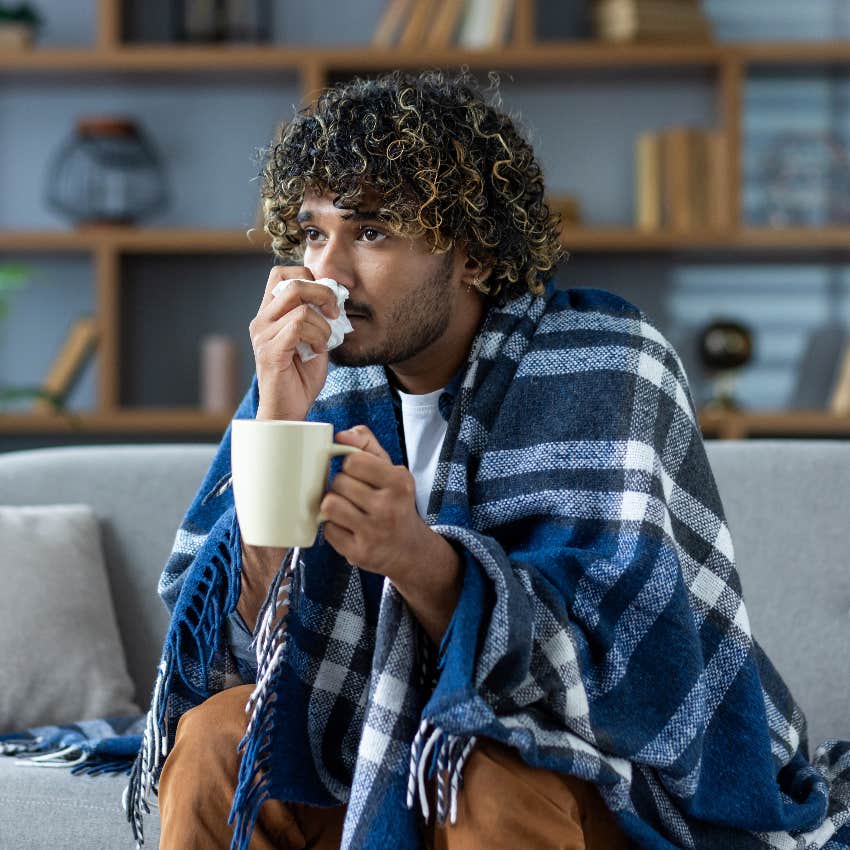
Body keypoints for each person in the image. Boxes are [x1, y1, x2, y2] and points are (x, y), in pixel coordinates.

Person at [125, 70, 850, 850]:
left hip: (596, 770)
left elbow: (628, 665)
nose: (326, 271)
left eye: (371, 232)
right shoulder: (308, 379)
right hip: (372, 736)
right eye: (312, 233)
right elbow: (236, 657)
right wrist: (275, 419)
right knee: (210, 742)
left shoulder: (609, 364)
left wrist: (420, 560)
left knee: (485, 765)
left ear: (471, 253)